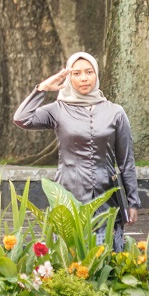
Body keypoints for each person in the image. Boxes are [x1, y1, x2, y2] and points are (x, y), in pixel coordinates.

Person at [12, 51, 140, 251]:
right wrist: (43, 88)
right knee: (70, 259)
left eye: (89, 72)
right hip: (67, 196)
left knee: (105, 259)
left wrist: (132, 202)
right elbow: (22, 119)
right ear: (69, 78)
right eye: (77, 73)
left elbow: (126, 162)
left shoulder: (115, 112)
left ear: (96, 74)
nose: (83, 78)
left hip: (106, 198)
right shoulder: (58, 109)